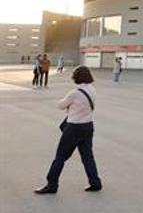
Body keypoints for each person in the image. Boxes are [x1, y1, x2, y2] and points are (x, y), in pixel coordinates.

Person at [35, 66, 102, 194]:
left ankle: (52, 184)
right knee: (87, 156)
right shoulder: (92, 89)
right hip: (88, 125)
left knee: (60, 157)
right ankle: (95, 182)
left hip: (74, 127)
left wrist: (65, 103)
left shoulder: (75, 93)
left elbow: (60, 105)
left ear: (77, 77)